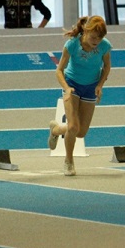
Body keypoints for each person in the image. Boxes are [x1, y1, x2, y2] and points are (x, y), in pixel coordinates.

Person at [47, 15, 111, 176]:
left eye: (100, 38)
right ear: (86, 31)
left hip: (90, 87)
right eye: (94, 37)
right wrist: (66, 88)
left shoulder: (104, 46)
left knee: (81, 132)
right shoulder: (72, 44)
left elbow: (107, 67)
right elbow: (59, 70)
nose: (97, 41)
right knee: (73, 127)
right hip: (72, 85)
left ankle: (56, 130)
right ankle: (69, 161)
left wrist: (100, 85)